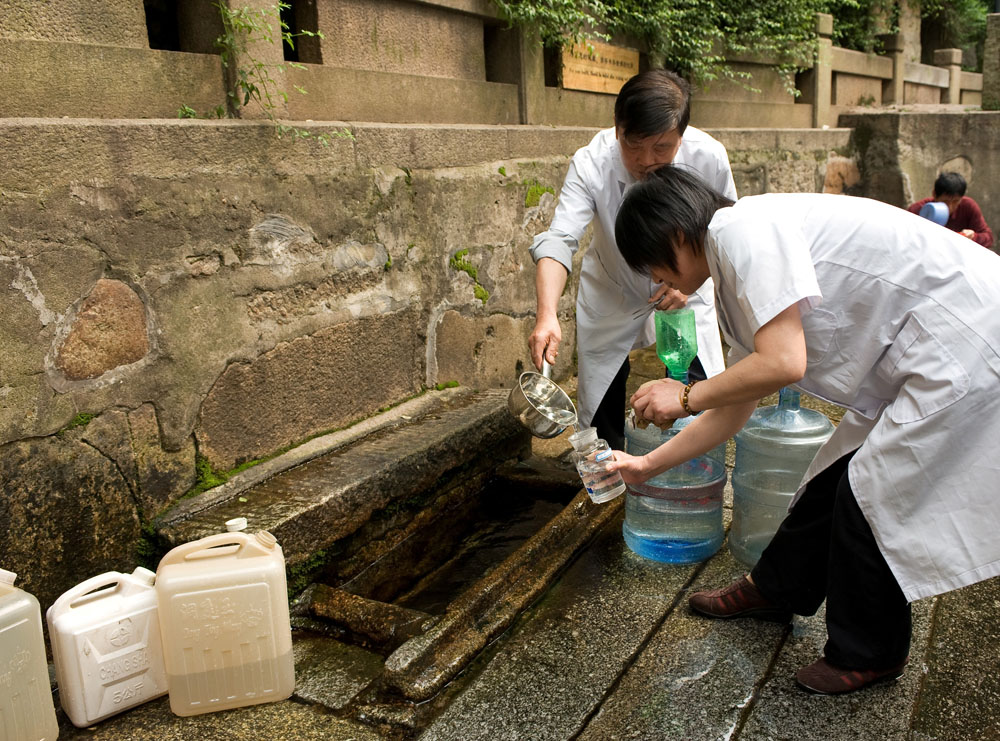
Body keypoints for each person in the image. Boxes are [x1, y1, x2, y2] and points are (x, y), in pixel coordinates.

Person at [608, 165, 1000, 695]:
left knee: (872, 498)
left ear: (677, 233)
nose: (660, 282)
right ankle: (777, 588)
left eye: (655, 265)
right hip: (923, 352)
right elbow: (738, 402)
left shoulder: (739, 229)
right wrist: (647, 466)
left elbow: (785, 363)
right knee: (831, 480)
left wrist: (682, 396)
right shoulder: (734, 263)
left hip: (967, 343)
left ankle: (870, 653)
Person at [527, 69, 736, 449]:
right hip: (613, 290)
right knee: (601, 407)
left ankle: (690, 469)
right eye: (633, 144)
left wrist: (694, 283)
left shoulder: (709, 158)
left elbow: (727, 236)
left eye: (662, 148)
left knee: (702, 392)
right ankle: (608, 478)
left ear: (682, 136)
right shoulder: (591, 163)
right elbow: (559, 240)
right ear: (616, 127)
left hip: (688, 291)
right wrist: (547, 313)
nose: (645, 161)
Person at [908, 171, 994, 249]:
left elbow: (988, 238)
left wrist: (973, 237)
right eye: (945, 201)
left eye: (955, 201)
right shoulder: (918, 210)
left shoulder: (968, 206)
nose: (950, 206)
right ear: (934, 194)